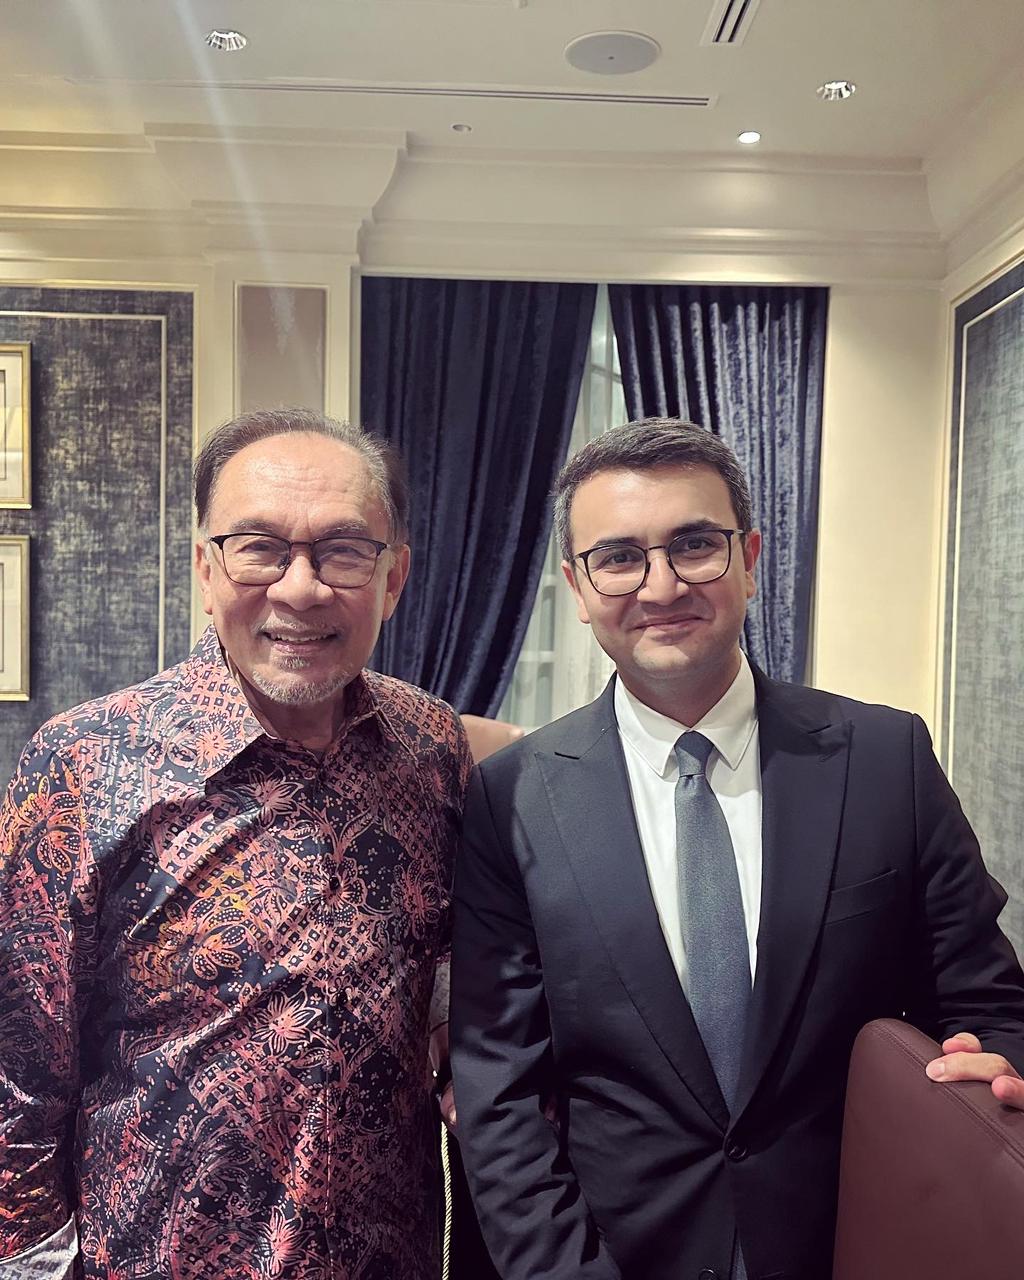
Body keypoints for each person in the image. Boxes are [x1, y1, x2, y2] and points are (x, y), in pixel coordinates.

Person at [450, 417, 1024, 1280]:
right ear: (577, 585)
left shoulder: (885, 759)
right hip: (615, 1255)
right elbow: (501, 1091)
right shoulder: (514, 796)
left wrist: (1000, 1066)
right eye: (619, 557)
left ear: (749, 557)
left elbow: (988, 999)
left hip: (852, 1241)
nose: (661, 585)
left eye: (695, 545)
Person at [0, 409, 472, 1279]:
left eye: (343, 551)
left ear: (394, 578)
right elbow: (17, 1078)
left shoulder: (431, 746)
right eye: (259, 548)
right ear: (206, 569)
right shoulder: (86, 764)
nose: (301, 589)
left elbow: (443, 959)